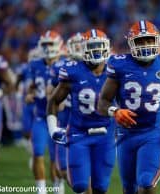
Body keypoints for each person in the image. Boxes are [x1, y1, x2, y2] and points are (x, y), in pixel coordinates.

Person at [97, 20, 160, 194]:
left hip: (153, 134)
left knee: (146, 182)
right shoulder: (119, 64)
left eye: (149, 40)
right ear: (131, 43)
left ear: (157, 40)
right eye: (140, 41)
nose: (145, 45)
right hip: (125, 135)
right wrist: (115, 111)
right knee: (129, 188)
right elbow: (103, 102)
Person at [47, 29, 115, 194]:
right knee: (79, 185)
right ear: (82, 48)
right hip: (79, 133)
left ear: (107, 47)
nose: (95, 50)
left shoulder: (116, 70)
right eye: (91, 46)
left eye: (99, 46)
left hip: (106, 134)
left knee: (100, 188)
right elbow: (54, 100)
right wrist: (53, 129)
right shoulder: (73, 70)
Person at [27, 30, 63, 194]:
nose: (48, 48)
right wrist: (29, 93)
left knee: (56, 159)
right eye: (45, 44)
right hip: (41, 117)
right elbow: (32, 85)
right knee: (38, 154)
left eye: (51, 44)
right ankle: (41, 190)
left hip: (58, 118)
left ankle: (57, 188)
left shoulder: (65, 65)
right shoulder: (35, 64)